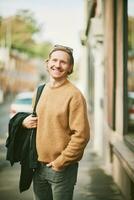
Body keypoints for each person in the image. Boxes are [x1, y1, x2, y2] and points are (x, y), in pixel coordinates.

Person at [22, 44, 90, 200]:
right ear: (47, 63)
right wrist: (24, 122)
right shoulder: (40, 91)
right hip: (37, 166)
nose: (57, 65)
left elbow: (81, 135)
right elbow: (38, 123)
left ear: (70, 67)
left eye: (63, 62)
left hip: (61, 169)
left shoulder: (74, 96)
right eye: (54, 60)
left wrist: (61, 161)